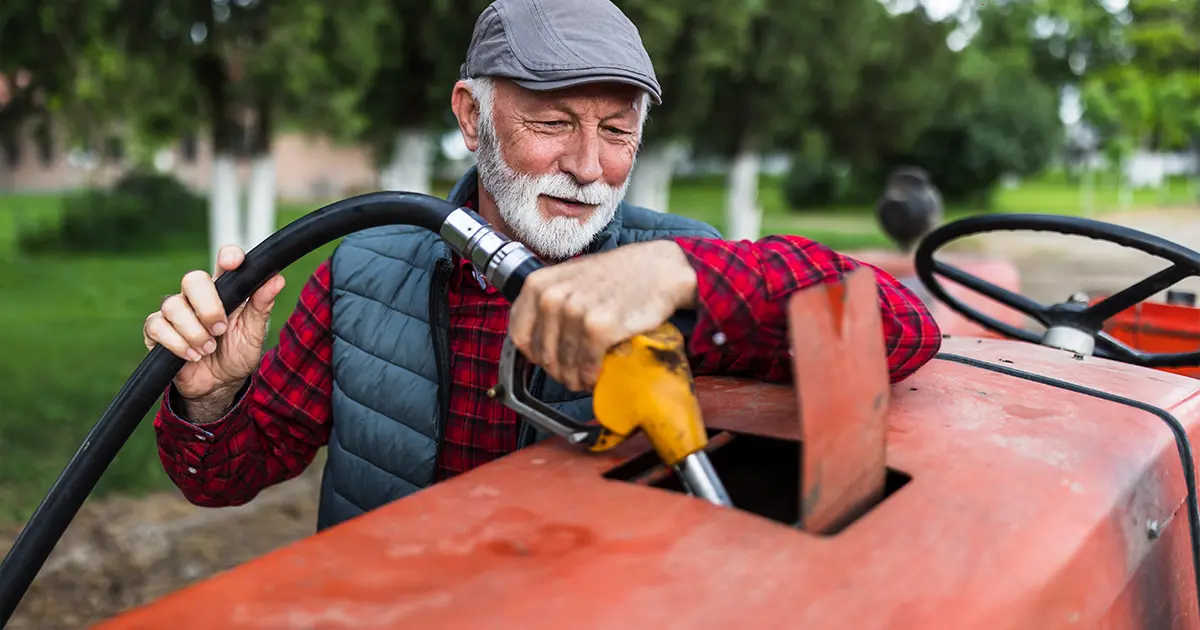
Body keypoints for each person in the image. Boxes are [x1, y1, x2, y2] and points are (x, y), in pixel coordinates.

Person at [144, 0, 943, 531]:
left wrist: (682, 274)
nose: (591, 168)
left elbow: (901, 329)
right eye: (554, 122)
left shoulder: (681, 267)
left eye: (618, 133)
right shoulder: (362, 270)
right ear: (471, 115)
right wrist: (211, 399)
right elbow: (222, 479)